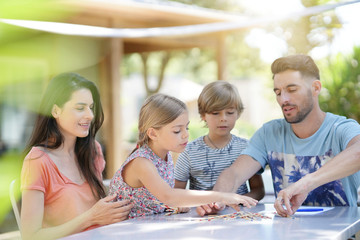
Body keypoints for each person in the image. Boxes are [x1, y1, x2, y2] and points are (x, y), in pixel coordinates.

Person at [196, 54, 360, 217]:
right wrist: (217, 198)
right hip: (286, 231)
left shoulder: (342, 128)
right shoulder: (269, 133)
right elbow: (234, 173)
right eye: (278, 92)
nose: (283, 99)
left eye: (291, 90)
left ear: (316, 88)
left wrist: (305, 184)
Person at [20, 73, 133, 240]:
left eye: (91, 107)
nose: (90, 115)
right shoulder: (37, 161)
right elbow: (30, 235)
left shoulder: (92, 150)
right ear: (56, 110)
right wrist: (91, 217)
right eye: (80, 108)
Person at [108, 93, 258, 218]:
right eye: (177, 131)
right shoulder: (141, 162)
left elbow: (158, 200)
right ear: (153, 133)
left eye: (186, 127)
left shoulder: (166, 156)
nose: (186, 135)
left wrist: (181, 205)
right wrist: (220, 196)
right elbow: (169, 196)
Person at [174, 80, 264, 201]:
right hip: (202, 215)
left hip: (238, 215)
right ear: (203, 115)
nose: (223, 119)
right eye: (216, 113)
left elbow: (258, 190)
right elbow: (177, 192)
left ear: (238, 113)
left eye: (230, 112)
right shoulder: (189, 151)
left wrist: (238, 201)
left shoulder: (247, 148)